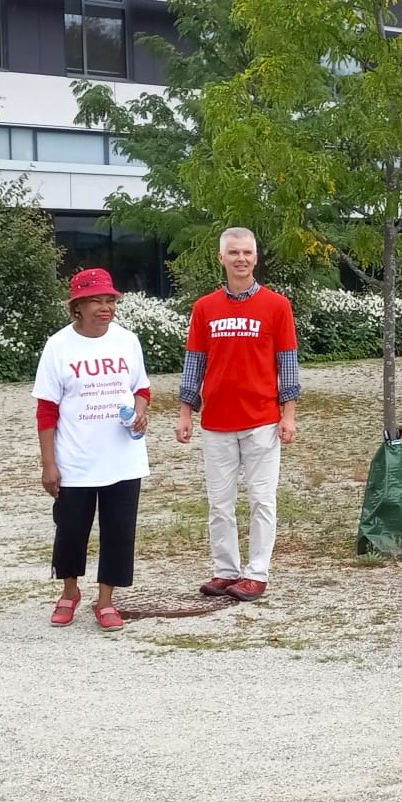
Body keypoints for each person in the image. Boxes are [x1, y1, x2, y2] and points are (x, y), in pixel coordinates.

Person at [175, 227, 300, 602]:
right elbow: (194, 363)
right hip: (217, 423)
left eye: (247, 252)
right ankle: (226, 570)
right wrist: (186, 412)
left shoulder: (277, 306)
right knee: (219, 502)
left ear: (256, 258)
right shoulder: (205, 308)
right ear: (222, 258)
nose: (241, 259)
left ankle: (257, 573)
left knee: (262, 500)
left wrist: (288, 414)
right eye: (234, 252)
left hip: (261, 419)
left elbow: (288, 363)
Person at [32, 268, 151, 632]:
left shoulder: (127, 341)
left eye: (110, 300)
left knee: (118, 531)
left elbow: (141, 389)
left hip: (122, 459)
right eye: (96, 301)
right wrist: (49, 464)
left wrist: (141, 413)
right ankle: (70, 592)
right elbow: (46, 409)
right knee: (70, 529)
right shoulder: (59, 346)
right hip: (76, 459)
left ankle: (106, 600)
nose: (106, 307)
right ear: (78, 306)